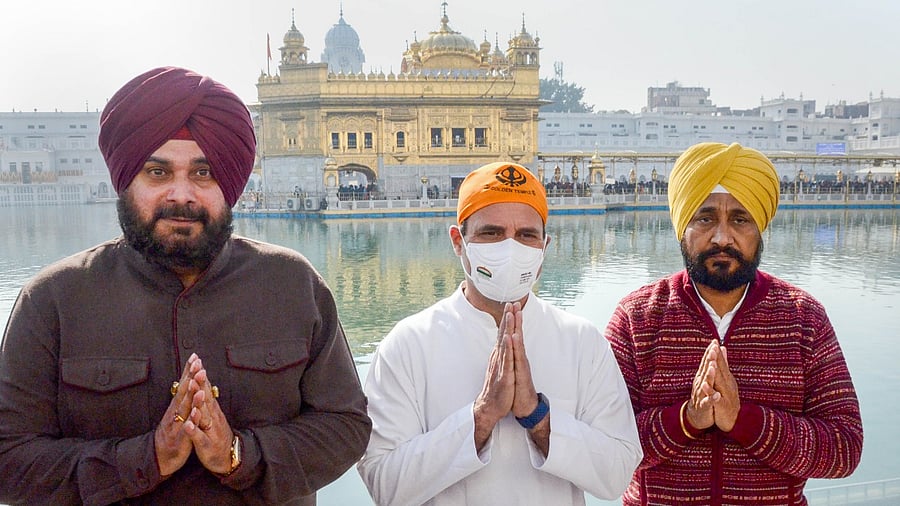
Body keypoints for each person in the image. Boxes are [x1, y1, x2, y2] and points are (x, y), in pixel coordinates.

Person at [0, 67, 371, 505]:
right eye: (157, 173)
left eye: (203, 173)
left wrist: (238, 455)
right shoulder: (55, 300)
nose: (182, 194)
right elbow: (10, 460)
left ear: (229, 183)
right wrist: (146, 458)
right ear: (125, 182)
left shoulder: (292, 284)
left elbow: (346, 425)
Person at [358, 162, 642, 505]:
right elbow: (384, 484)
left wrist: (540, 419)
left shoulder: (581, 342)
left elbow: (618, 475)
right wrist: (480, 418)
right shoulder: (408, 345)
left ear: (544, 246)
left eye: (526, 235)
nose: (510, 248)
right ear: (458, 242)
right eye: (491, 233)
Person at [605, 142, 863, 505]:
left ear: (761, 228)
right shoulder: (639, 316)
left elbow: (844, 448)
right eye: (705, 218)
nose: (722, 237)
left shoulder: (802, 318)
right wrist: (686, 420)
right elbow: (604, 446)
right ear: (683, 227)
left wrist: (743, 420)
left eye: (740, 219)